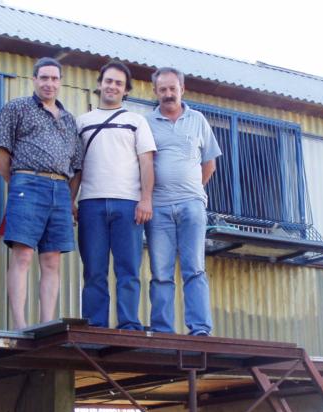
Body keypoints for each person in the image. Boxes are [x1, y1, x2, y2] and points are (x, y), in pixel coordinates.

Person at [0, 57, 82, 329]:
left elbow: (77, 166)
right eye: (44, 78)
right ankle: (20, 325)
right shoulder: (17, 107)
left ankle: (46, 325)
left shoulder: (69, 120)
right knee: (23, 255)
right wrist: (17, 181)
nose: (49, 83)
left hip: (61, 189)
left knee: (52, 260)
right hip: (27, 183)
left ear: (60, 82)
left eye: (54, 78)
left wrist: (70, 198)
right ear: (34, 79)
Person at [71, 61, 155, 330]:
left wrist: (146, 199)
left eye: (119, 83)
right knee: (93, 270)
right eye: (108, 81)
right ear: (99, 84)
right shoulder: (82, 122)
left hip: (128, 203)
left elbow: (146, 163)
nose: (112, 86)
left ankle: (128, 324)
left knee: (128, 269)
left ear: (126, 90)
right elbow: (76, 166)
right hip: (90, 203)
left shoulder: (136, 121)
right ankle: (96, 325)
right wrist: (70, 200)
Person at [145, 67, 222, 336]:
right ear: (155, 91)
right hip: (158, 208)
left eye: (172, 89)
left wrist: (192, 190)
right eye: (162, 89)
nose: (168, 94)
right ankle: (162, 331)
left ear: (182, 89)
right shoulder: (146, 123)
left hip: (192, 205)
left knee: (195, 269)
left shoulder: (198, 120)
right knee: (161, 272)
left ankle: (200, 329)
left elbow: (209, 163)